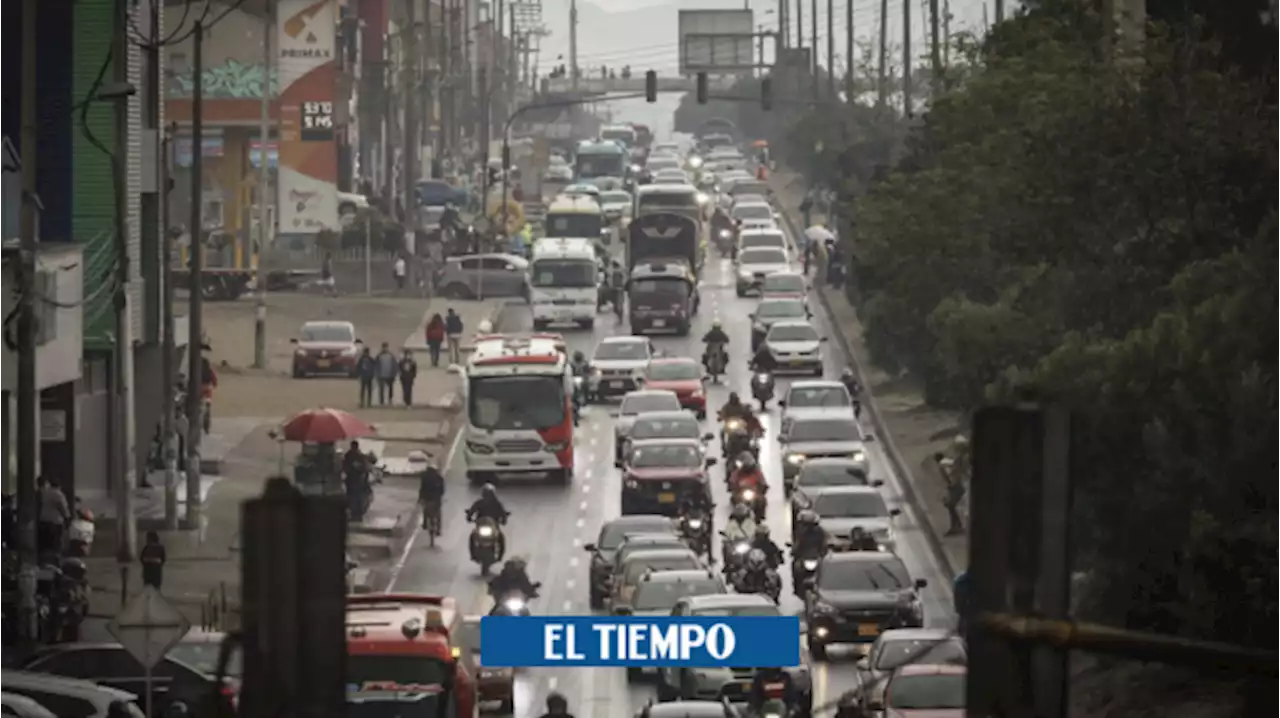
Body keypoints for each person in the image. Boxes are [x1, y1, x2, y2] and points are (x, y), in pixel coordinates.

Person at [467, 484, 509, 559]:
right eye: (486, 493)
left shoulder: (497, 504)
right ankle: (472, 554)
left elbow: (502, 513)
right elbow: (472, 510)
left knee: (500, 538)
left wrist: (504, 520)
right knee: (472, 537)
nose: (487, 496)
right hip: (481, 525)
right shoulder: (479, 503)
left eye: (489, 493)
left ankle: (500, 556)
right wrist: (469, 517)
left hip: (493, 525)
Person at [36, 477, 69, 554]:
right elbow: (64, 509)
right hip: (55, 523)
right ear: (59, 485)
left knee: (45, 544)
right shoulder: (59, 494)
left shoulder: (44, 493)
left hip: (43, 521)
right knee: (56, 545)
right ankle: (55, 560)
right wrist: (67, 518)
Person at [418, 457, 445, 532]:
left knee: (425, 510)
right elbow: (442, 491)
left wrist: (420, 498)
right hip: (436, 499)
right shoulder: (439, 478)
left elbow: (422, 488)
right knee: (438, 513)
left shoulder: (424, 477)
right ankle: (439, 529)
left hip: (427, 498)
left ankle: (425, 524)